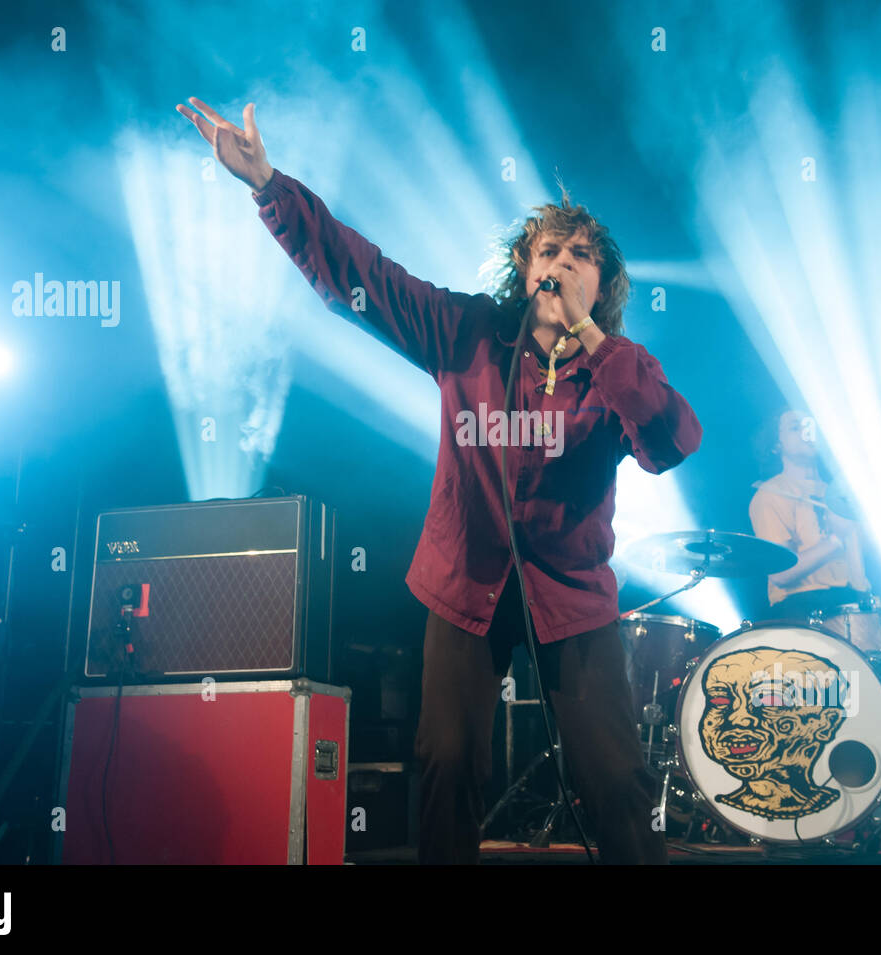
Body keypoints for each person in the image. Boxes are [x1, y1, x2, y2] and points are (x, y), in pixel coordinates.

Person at [177, 98, 702, 864]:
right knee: (448, 762)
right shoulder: (469, 333)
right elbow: (365, 278)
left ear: (603, 282)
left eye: (582, 256)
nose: (561, 262)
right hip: (466, 583)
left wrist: (593, 336)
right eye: (550, 249)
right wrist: (268, 187)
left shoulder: (618, 367)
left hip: (573, 591)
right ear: (524, 268)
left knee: (617, 777)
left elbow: (667, 441)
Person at [748, 409, 870, 620]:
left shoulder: (842, 493)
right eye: (796, 428)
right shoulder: (770, 494)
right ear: (777, 445)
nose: (807, 433)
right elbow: (780, 574)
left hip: (857, 603)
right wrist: (835, 540)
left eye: (810, 426)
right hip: (803, 607)